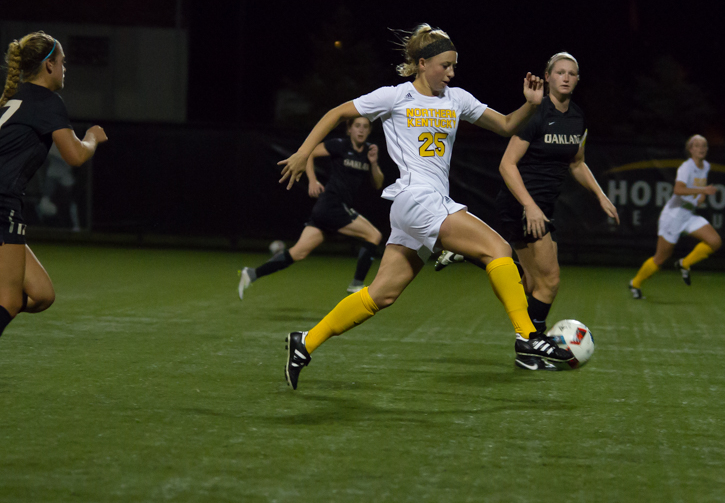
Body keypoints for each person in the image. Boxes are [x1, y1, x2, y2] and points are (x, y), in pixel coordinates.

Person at [277, 24, 579, 389]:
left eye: (454, 66)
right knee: (497, 248)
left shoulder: (456, 99)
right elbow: (337, 113)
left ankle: (305, 342)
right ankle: (528, 336)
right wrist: (303, 152)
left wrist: (529, 106)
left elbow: (505, 125)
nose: (451, 73)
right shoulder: (395, 96)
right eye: (445, 65)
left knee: (381, 294)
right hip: (415, 198)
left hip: (428, 205)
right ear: (422, 64)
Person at [438, 52, 619, 370]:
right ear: (547, 77)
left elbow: (577, 162)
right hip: (521, 203)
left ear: (577, 80)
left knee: (534, 284)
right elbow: (506, 164)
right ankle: (529, 348)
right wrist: (530, 206)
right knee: (549, 281)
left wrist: (600, 195)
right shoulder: (536, 113)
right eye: (559, 72)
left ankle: (476, 257)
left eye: (571, 73)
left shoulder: (577, 117)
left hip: (541, 206)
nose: (565, 77)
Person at [0, 31, 107, 339]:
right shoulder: (47, 101)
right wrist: (92, 138)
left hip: (4, 203)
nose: (64, 68)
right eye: (62, 62)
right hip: (2, 204)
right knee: (8, 301)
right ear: (48, 66)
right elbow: (74, 155)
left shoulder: (15, 100)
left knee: (42, 293)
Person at [238, 117, 385, 298]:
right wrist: (312, 181)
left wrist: (374, 163)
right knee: (374, 235)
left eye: (365, 127)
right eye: (357, 126)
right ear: (349, 130)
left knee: (298, 253)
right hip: (332, 205)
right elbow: (310, 153)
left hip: (329, 209)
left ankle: (251, 274)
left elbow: (378, 184)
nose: (361, 130)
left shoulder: (368, 152)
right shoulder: (339, 145)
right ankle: (356, 285)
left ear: (369, 131)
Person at [629, 135, 721, 298]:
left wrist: (701, 196)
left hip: (688, 214)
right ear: (690, 150)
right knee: (661, 258)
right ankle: (635, 283)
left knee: (715, 241)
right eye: (697, 146)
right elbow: (678, 190)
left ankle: (684, 263)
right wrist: (702, 191)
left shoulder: (705, 166)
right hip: (673, 215)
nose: (701, 148)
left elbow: (699, 187)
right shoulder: (686, 167)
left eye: (704, 146)